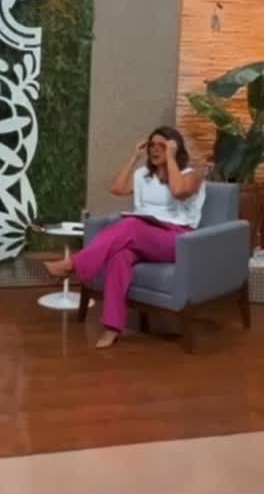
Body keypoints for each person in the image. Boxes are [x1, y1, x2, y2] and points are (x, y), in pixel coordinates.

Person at [45, 127, 206, 350]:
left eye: (162, 145)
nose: (155, 150)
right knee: (120, 257)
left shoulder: (190, 175)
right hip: (143, 236)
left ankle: (73, 265)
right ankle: (112, 328)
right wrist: (133, 158)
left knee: (130, 225)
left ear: (174, 147)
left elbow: (178, 191)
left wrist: (171, 158)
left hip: (177, 239)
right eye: (152, 145)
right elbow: (117, 188)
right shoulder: (144, 175)